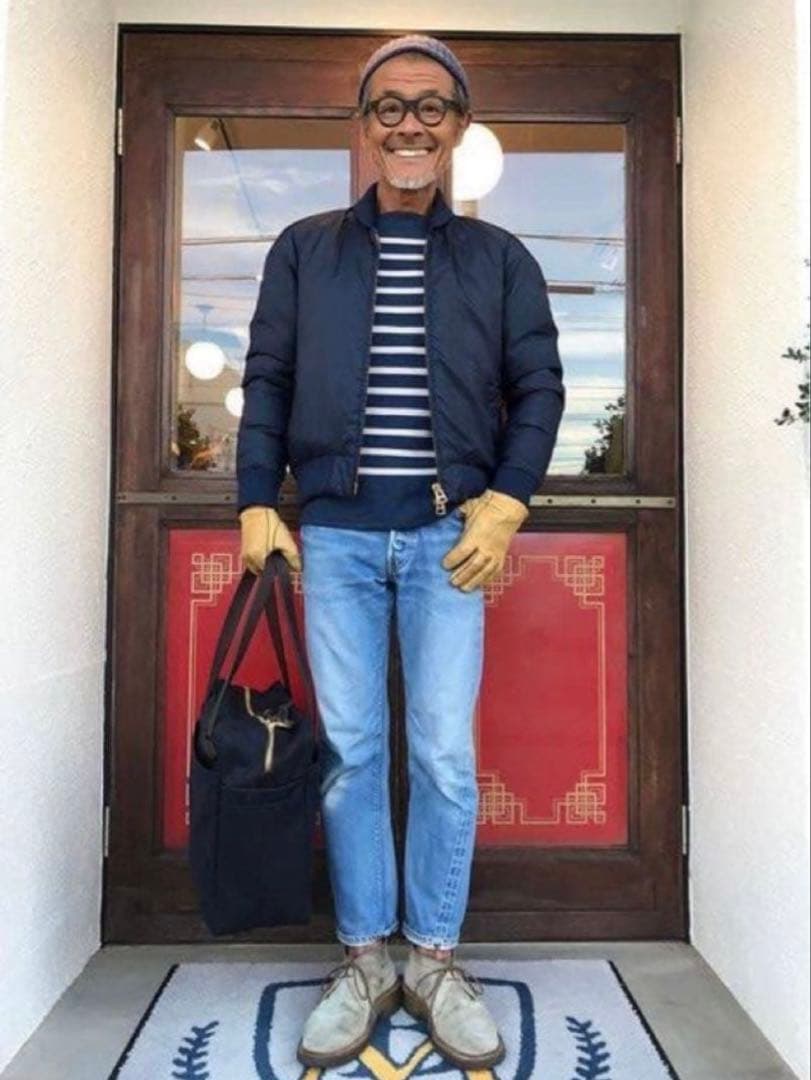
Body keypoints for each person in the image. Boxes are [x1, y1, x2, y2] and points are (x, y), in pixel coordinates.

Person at [236, 32, 564, 1072]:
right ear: (363, 126)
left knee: (443, 756)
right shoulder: (304, 250)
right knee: (351, 756)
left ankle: (432, 958)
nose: (409, 124)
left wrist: (506, 500)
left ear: (458, 127)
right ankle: (363, 959)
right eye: (389, 105)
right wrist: (255, 501)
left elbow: (540, 387)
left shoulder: (500, 261)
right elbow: (268, 380)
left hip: (446, 540)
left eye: (430, 106)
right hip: (333, 537)